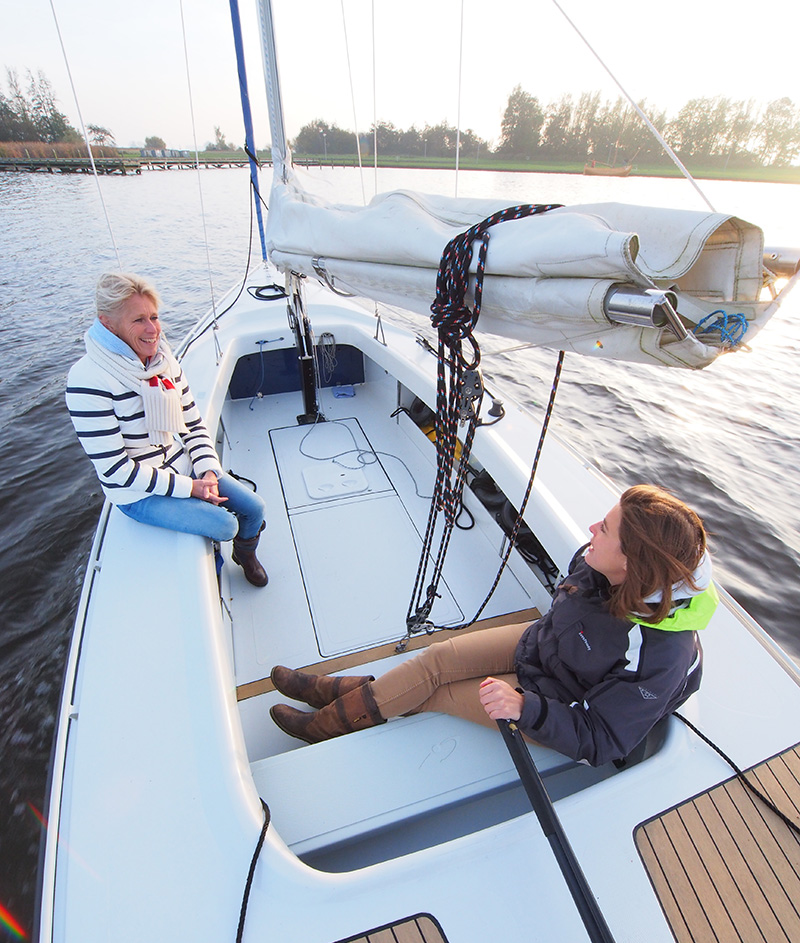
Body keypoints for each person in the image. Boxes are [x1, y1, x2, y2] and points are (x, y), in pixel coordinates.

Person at [269, 485, 718, 766]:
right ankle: (334, 695)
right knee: (438, 659)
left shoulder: (658, 655)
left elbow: (603, 739)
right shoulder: (597, 560)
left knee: (437, 695)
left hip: (556, 702)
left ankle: (323, 725)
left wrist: (526, 709)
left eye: (605, 529)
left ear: (632, 563)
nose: (591, 529)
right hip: (543, 648)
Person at [66, 271, 268, 586]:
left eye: (155, 317)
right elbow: (115, 470)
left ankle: (245, 555)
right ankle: (213, 566)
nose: (153, 330)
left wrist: (208, 473)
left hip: (182, 467)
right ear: (108, 324)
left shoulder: (164, 361)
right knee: (225, 526)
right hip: (138, 493)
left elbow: (191, 424)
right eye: (139, 321)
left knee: (255, 509)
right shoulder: (87, 380)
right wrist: (190, 489)